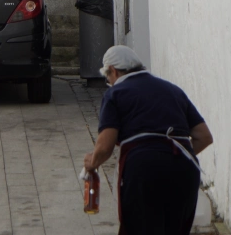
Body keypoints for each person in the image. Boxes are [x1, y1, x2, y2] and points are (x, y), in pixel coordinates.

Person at [83, 45, 213, 235]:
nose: (109, 82)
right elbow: (204, 137)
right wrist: (171, 155)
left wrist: (92, 163)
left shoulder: (115, 93)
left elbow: (105, 146)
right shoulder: (173, 90)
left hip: (144, 168)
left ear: (113, 70)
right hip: (185, 169)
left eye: (108, 77)